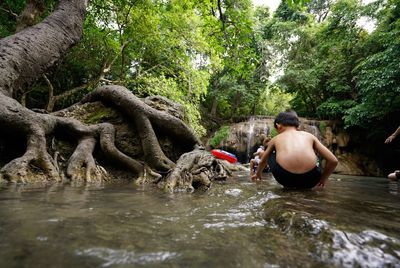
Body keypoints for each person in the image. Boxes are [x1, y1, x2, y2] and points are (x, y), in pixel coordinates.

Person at [251, 111, 338, 188]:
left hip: (285, 178)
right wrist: (322, 179)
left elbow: (263, 160)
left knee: (268, 152)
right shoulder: (310, 136)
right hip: (311, 179)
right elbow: (333, 161)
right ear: (298, 126)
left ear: (278, 126)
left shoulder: (276, 138)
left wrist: (258, 174)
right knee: (315, 153)